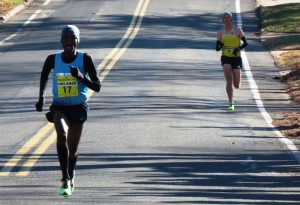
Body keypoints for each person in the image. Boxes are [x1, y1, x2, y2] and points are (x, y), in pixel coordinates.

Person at [35, 25, 101, 196]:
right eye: (66, 38)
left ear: (77, 41)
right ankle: (64, 178)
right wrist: (41, 97)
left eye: (72, 38)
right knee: (61, 134)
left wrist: (80, 77)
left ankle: (71, 175)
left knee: (72, 150)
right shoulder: (53, 59)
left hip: (78, 108)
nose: (69, 42)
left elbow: (97, 86)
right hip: (60, 107)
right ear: (61, 40)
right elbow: (43, 76)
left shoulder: (85, 59)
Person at [216, 11, 248, 111]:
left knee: (237, 85)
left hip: (236, 58)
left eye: (228, 17)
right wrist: (220, 45)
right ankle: (231, 102)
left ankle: (236, 74)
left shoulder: (237, 30)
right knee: (228, 80)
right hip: (225, 57)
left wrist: (238, 49)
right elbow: (217, 47)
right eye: (224, 18)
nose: (226, 19)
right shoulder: (220, 32)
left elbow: (245, 43)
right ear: (223, 20)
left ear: (231, 19)